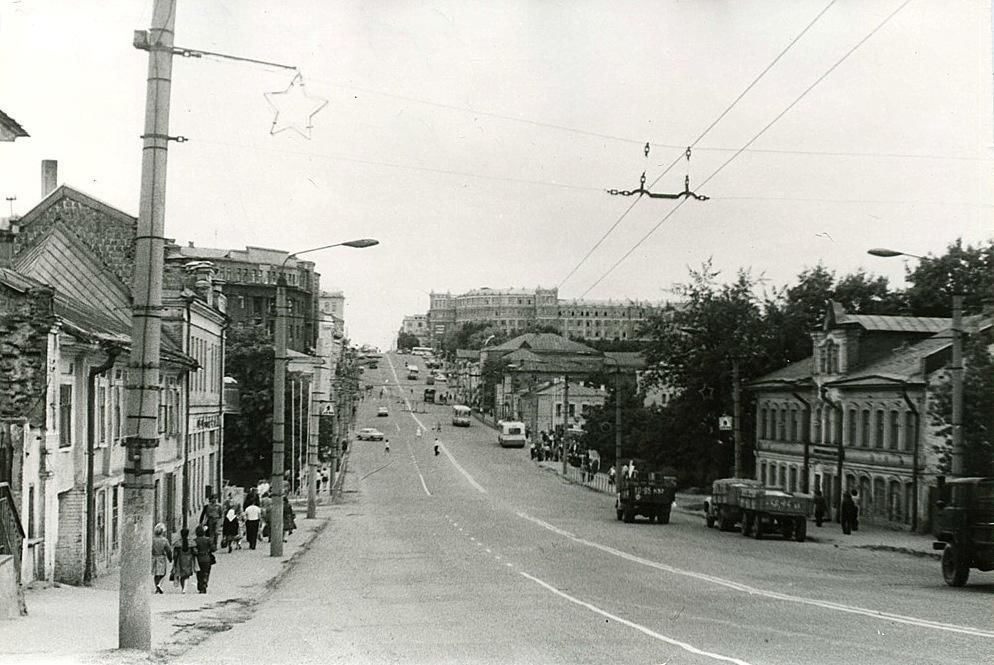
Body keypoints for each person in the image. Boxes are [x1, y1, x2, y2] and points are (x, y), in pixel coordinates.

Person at [171, 527, 197, 594]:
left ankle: (183, 588)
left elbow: (175, 554)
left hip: (180, 560)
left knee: (181, 575)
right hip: (189, 560)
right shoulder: (191, 542)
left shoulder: (178, 543)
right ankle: (184, 588)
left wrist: (174, 561)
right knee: (187, 575)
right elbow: (195, 552)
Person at [151, 522, 172, 594]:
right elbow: (168, 550)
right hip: (161, 557)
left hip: (154, 557)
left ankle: (157, 586)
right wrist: (170, 558)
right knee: (163, 573)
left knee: (156, 574)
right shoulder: (164, 540)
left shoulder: (152, 540)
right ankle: (159, 585)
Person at [193, 525, 215, 593]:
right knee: (206, 571)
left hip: (198, 559)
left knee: (199, 573)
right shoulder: (208, 540)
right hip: (207, 558)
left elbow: (193, 550)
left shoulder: (195, 541)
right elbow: (213, 548)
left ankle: (200, 586)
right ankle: (205, 580)